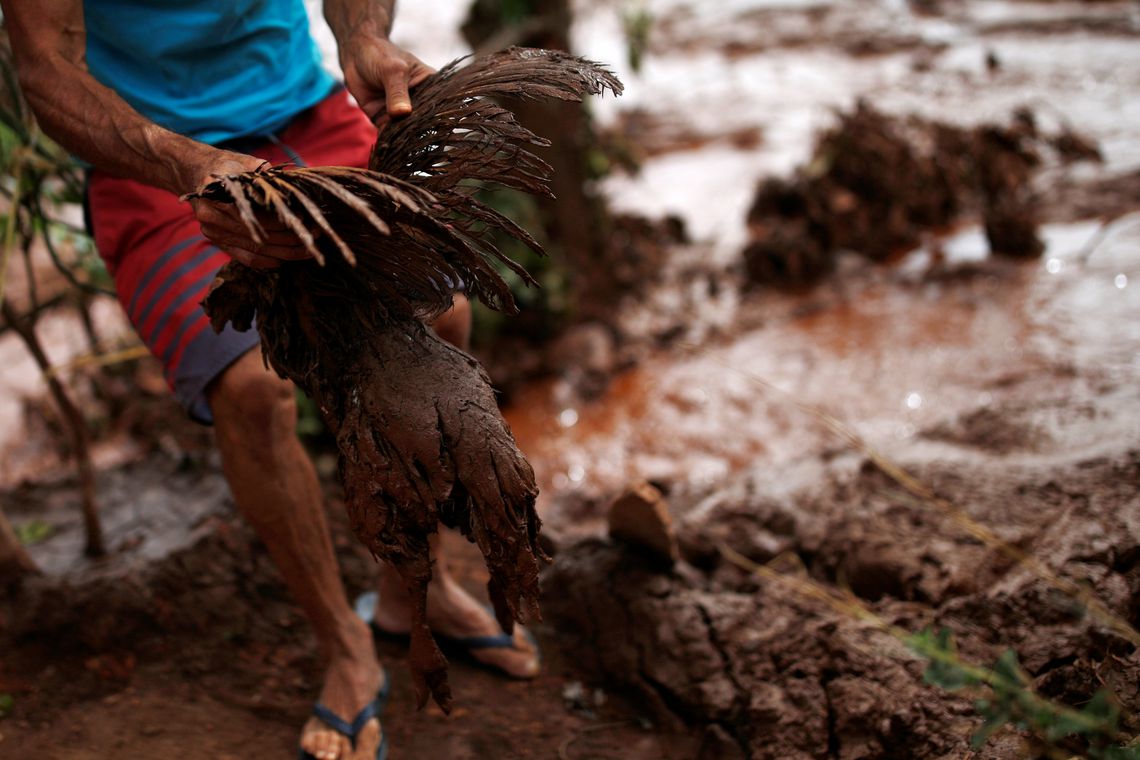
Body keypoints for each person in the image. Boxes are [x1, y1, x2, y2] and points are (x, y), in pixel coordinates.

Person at [0, 1, 539, 758]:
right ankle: (343, 645)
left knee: (439, 315)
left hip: (306, 113)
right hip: (152, 161)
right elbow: (45, 67)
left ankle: (412, 591)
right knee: (251, 389)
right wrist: (186, 163)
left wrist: (364, 38)